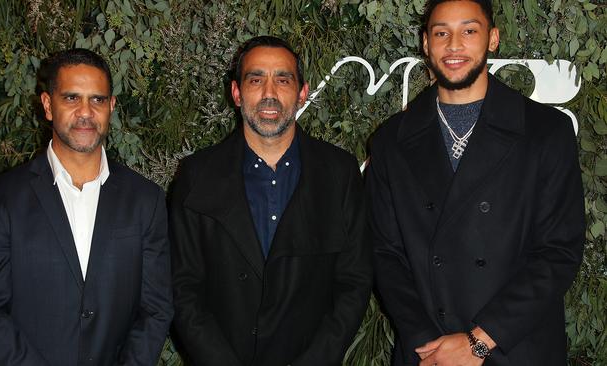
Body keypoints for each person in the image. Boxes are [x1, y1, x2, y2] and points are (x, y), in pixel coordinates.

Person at [366, 0, 585, 365]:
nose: (454, 45)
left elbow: (558, 252)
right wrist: (428, 345)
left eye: (469, 31)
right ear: (425, 43)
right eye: (441, 33)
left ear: (493, 38)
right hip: (428, 353)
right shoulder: (391, 141)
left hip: (516, 347)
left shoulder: (546, 132)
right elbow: (384, 254)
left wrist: (479, 341)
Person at [170, 36, 371, 366]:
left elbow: (354, 282)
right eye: (255, 79)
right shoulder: (197, 175)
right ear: (236, 93)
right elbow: (183, 287)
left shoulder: (340, 173)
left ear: (302, 93)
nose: (269, 93)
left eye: (283, 79)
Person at [0, 48, 174, 366]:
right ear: (48, 105)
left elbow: (156, 308)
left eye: (97, 99)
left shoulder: (145, 200)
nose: (86, 112)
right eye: (72, 98)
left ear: (111, 107)